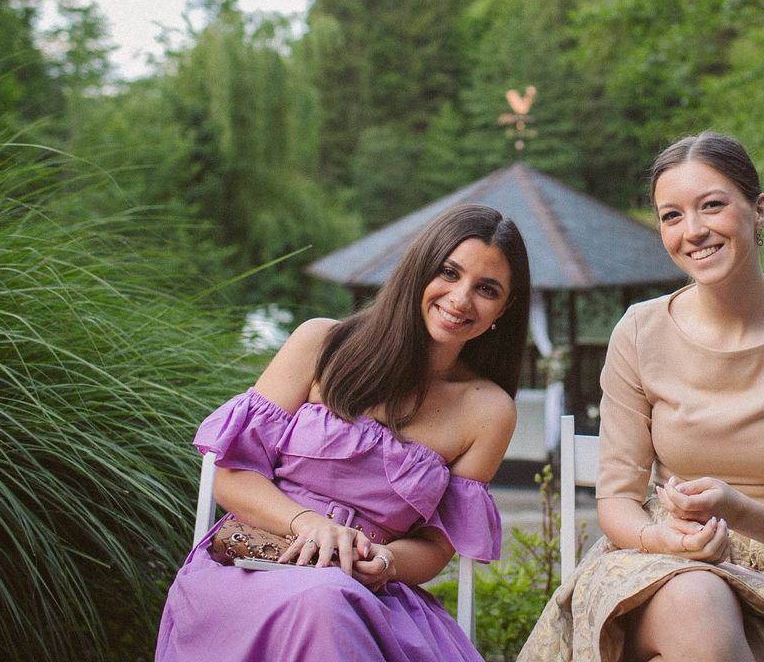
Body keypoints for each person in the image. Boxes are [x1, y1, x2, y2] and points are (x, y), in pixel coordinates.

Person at [520, 133, 764, 662]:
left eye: (712, 206)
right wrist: (667, 541)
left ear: (758, 210)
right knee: (695, 597)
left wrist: (733, 507)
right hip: (663, 561)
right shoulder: (640, 331)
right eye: (671, 216)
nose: (693, 231)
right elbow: (617, 502)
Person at [155, 203, 531, 662]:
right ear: (419, 267)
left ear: (505, 307)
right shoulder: (321, 344)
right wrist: (308, 524)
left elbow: (435, 549)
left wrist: (386, 561)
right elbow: (231, 476)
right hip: (253, 566)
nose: (460, 298)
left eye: (486, 289)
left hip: (367, 592)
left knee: (330, 601)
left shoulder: (489, 411)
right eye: (448, 272)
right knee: (323, 602)